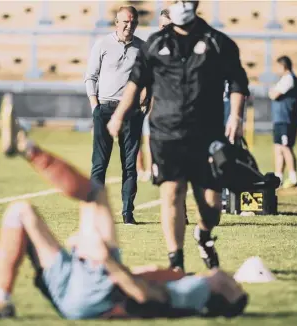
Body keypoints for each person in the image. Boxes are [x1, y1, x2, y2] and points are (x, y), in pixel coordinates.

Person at [0, 97, 249, 320]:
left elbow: (145, 296)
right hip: (78, 294)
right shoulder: (190, 287)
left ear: (223, 294)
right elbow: (148, 284)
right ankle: (0, 296)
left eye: (235, 287)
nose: (231, 278)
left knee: (95, 194)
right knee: (20, 212)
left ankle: (26, 147)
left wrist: (106, 260)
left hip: (93, 291)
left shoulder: (197, 294)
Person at [107, 0, 250, 271]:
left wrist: (236, 115)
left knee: (211, 203)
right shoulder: (155, 44)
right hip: (166, 133)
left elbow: (238, 81)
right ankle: (176, 262)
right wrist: (118, 115)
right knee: (172, 194)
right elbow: (136, 82)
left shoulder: (219, 43)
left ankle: (204, 234)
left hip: (206, 134)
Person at [85, 6, 148, 225]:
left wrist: (145, 101)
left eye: (132, 22)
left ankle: (127, 212)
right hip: (104, 110)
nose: (128, 26)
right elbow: (90, 77)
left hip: (131, 113)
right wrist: (95, 106)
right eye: (124, 22)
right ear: (116, 22)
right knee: (99, 164)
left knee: (129, 165)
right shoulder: (102, 44)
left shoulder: (142, 48)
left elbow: (149, 80)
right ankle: (96, 212)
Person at [137, 9, 172, 182]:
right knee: (145, 134)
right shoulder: (153, 46)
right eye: (161, 25)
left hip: (172, 102)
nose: (163, 29)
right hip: (153, 99)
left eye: (167, 25)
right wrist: (144, 95)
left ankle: (157, 167)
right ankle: (147, 168)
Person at [268, 55, 297, 189]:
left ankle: (293, 178)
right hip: (279, 119)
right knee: (278, 148)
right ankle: (278, 178)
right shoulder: (283, 79)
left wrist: (272, 91)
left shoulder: (289, 79)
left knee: (285, 147)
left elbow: (273, 94)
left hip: (287, 119)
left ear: (283, 66)